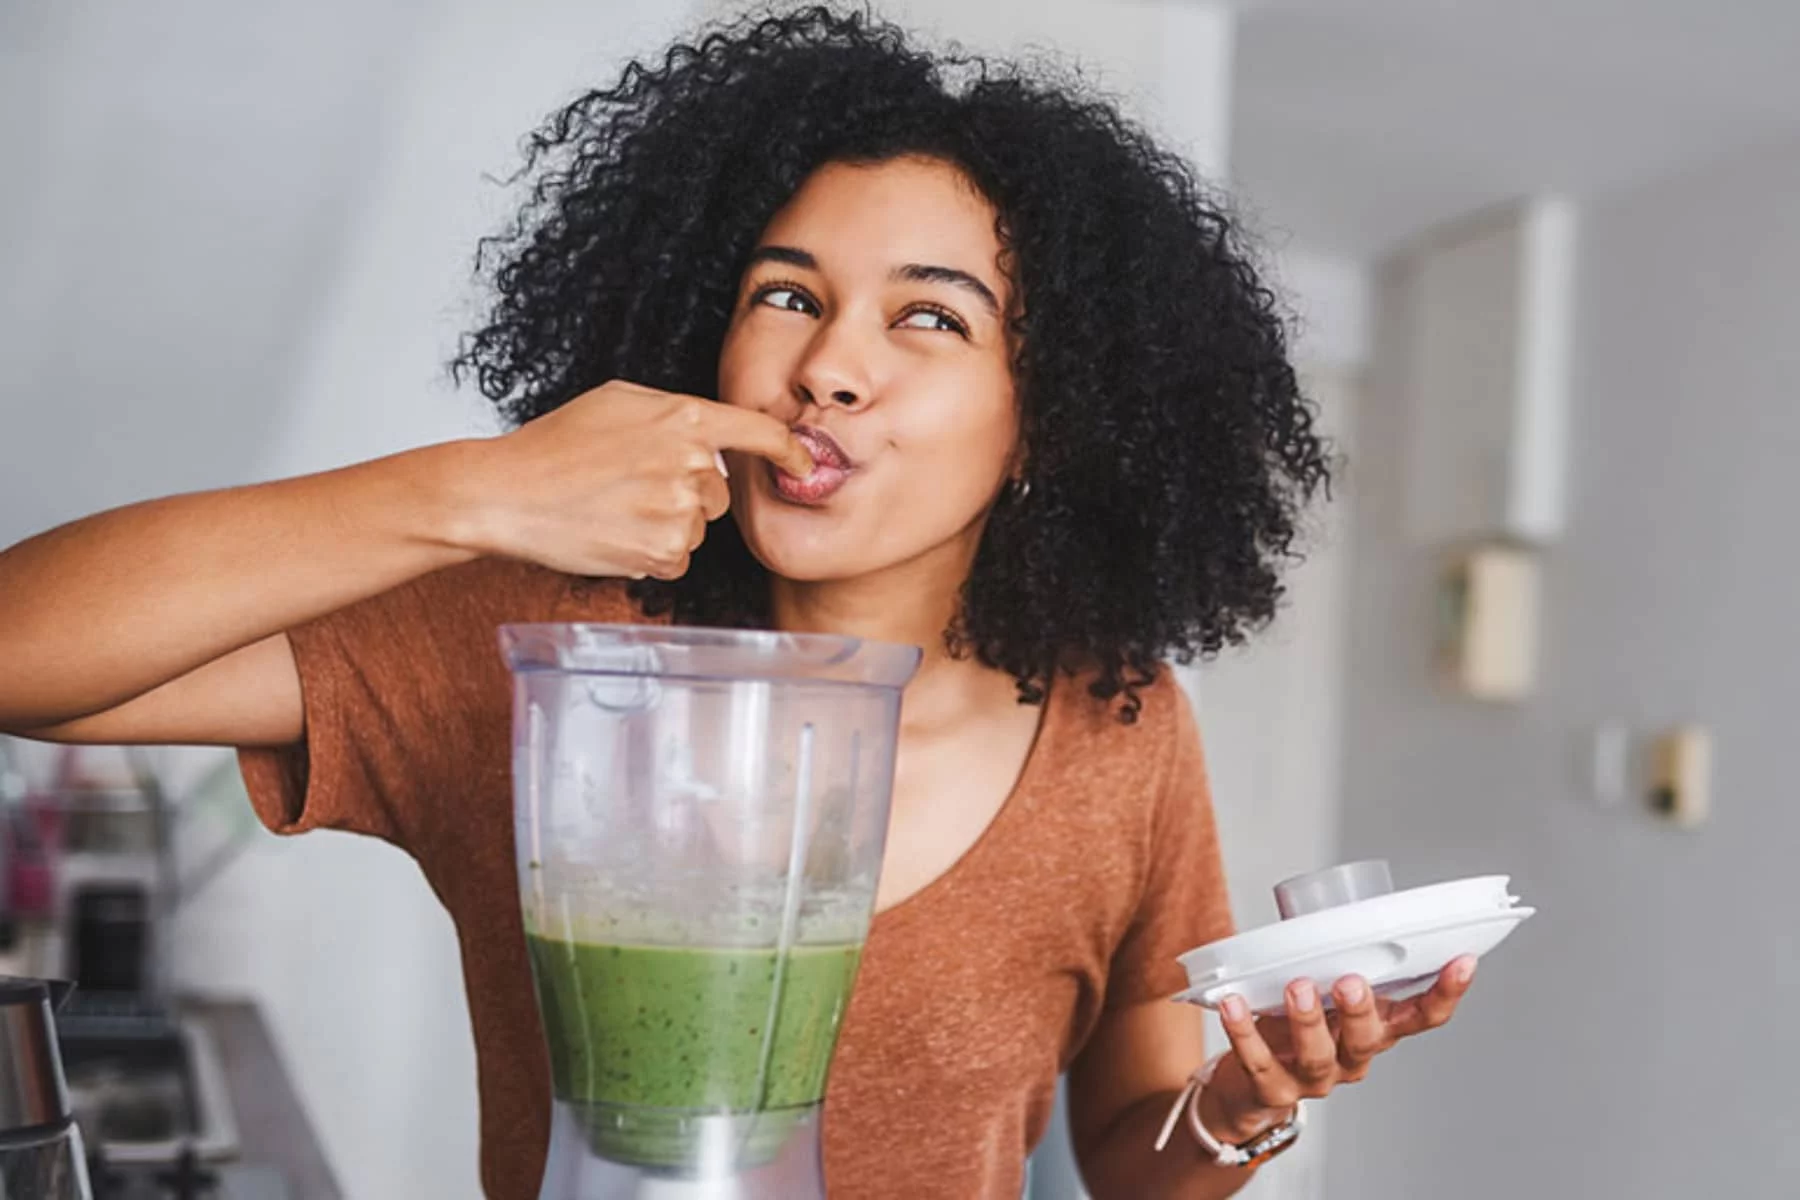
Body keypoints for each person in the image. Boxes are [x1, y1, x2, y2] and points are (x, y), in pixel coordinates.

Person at [0, 7, 1478, 1197]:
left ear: (1049, 418)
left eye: (927, 316)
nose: (829, 363)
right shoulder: (552, 649)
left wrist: (1234, 1106)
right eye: (786, 293)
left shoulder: (1118, 728)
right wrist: (477, 491)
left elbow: (1131, 1154)